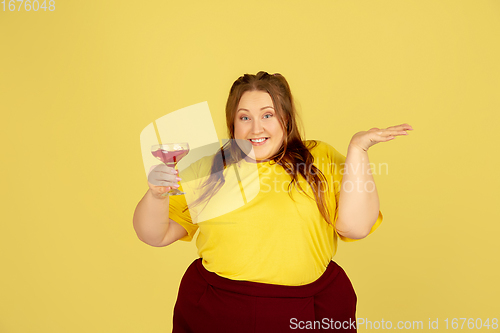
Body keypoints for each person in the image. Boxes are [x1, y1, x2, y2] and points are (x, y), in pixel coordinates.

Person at [133, 71, 413, 332]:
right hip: (217, 310)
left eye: (268, 115)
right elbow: (156, 234)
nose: (256, 128)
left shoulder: (318, 158)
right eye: (244, 118)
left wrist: (358, 150)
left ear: (286, 120)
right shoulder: (208, 167)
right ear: (232, 124)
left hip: (306, 310)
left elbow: (356, 227)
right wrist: (157, 194)